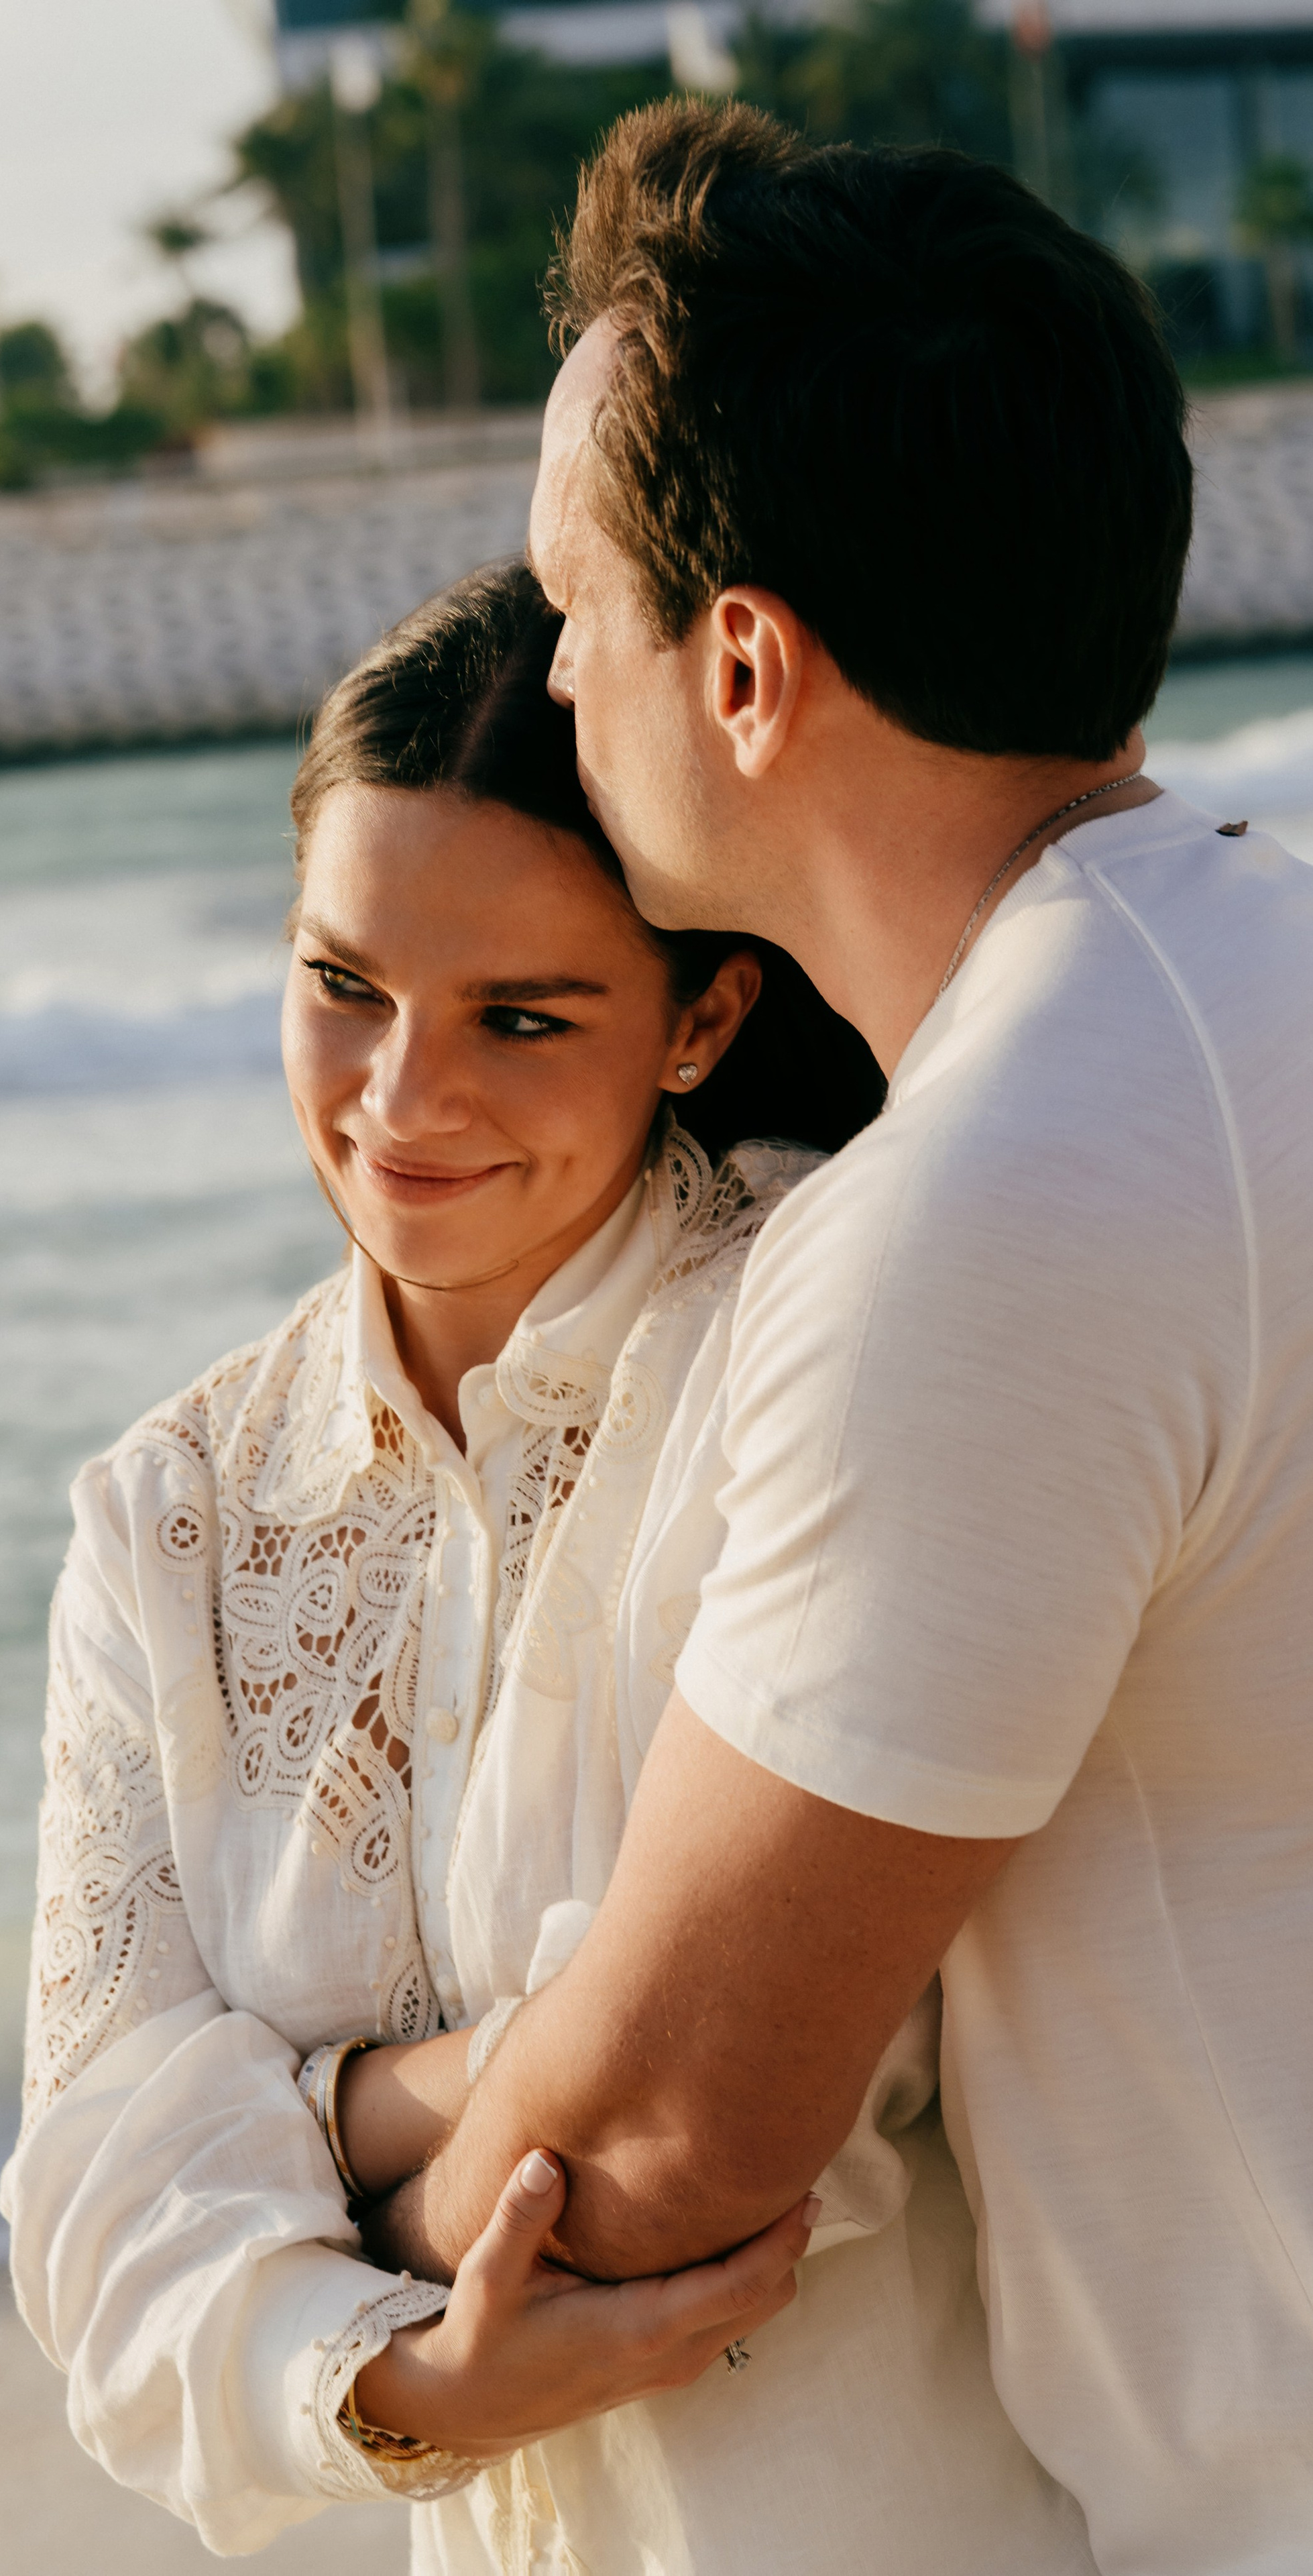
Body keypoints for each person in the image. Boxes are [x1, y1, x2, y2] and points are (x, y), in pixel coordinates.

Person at [354, 102, 1313, 2576]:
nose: (551, 668)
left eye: (580, 603)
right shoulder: (1252, 995)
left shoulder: (986, 1211)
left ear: (747, 667)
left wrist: (359, 2109)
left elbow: (662, 2149)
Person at [1, 562, 1098, 2571]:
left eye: (520, 1015)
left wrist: (308, 2134)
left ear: (705, 1018)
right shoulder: (168, 1520)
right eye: (343, 985)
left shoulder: (830, 1334)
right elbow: (86, 2195)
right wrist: (405, 2385)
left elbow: (798, 2107)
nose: (401, 1102)